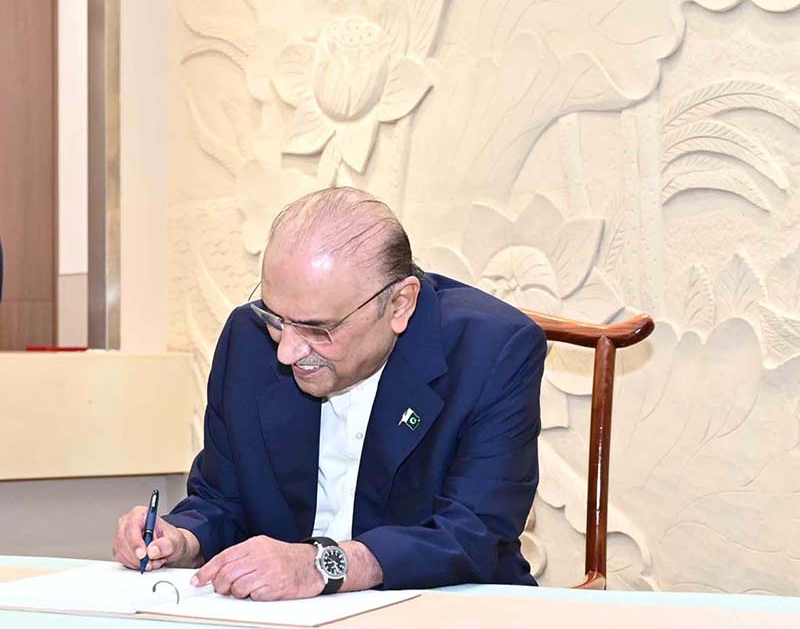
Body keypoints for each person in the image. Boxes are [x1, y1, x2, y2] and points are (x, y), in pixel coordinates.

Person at [114, 188, 546, 600]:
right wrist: (182, 538)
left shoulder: (492, 350)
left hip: (443, 616)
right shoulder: (248, 338)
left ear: (399, 305)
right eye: (276, 318)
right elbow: (221, 498)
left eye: (318, 329)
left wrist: (324, 565)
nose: (287, 351)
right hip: (288, 624)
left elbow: (473, 533)